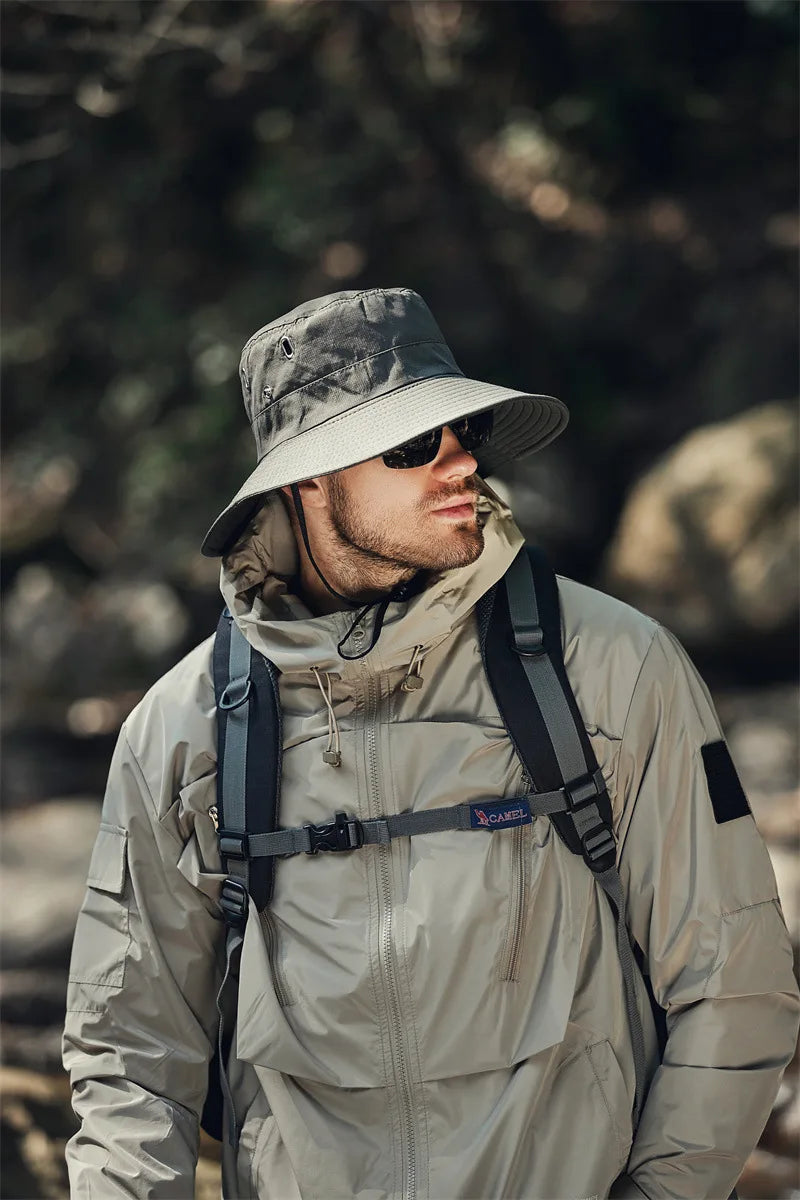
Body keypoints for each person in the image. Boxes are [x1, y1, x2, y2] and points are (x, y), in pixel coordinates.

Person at [63, 287, 799, 1200]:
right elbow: (131, 1054)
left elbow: (736, 985)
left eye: (464, 434)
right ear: (309, 482)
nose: (460, 467)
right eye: (414, 445)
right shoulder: (182, 728)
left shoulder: (610, 665)